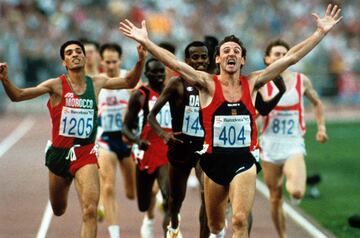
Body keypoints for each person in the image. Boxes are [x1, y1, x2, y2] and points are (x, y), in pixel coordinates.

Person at [119, 4, 342, 237]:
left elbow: (291, 57)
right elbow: (175, 63)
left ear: (243, 60)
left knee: (239, 220)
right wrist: (146, 41)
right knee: (216, 225)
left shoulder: (254, 81)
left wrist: (320, 33)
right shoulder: (207, 83)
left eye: (236, 51)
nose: (231, 54)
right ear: (218, 58)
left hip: (244, 160)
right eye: (226, 50)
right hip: (213, 161)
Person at [0, 40, 146, 238]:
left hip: (85, 153)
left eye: (79, 51)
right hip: (59, 155)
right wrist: (5, 80)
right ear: (64, 62)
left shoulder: (96, 82)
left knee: (90, 210)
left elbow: (129, 82)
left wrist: (140, 60)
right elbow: (18, 95)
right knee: (58, 209)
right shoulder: (56, 85)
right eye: (69, 53)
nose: (75, 54)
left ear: (85, 58)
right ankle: (61, 173)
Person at [259, 39, 329, 238]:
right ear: (267, 58)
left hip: (293, 144)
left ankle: (295, 185)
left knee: (297, 191)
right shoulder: (262, 83)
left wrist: (321, 128)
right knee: (275, 198)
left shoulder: (301, 81)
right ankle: (283, 236)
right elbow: (254, 113)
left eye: (284, 54)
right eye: (276, 54)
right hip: (269, 145)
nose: (281, 58)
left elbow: (317, 103)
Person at [148, 41, 210, 238]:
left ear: (209, 59)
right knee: (176, 199)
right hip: (180, 147)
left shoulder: (214, 83)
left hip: (203, 148)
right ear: (187, 60)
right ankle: (174, 223)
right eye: (195, 57)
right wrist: (164, 135)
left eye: (203, 57)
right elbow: (152, 116)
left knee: (206, 195)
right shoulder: (176, 83)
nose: (200, 61)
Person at [122, 58, 171, 238]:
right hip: (146, 150)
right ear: (147, 74)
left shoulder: (173, 92)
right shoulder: (140, 95)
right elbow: (125, 127)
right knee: (142, 203)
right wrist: (136, 140)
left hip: (166, 151)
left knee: (170, 200)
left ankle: (171, 231)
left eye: (161, 72)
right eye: (154, 72)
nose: (159, 76)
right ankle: (151, 205)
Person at [96, 42, 137, 238]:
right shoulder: (96, 82)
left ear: (119, 60)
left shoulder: (129, 79)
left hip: (127, 140)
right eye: (107, 62)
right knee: (108, 185)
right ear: (101, 61)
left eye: (114, 61)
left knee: (132, 193)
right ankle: (114, 233)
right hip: (105, 140)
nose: (111, 65)